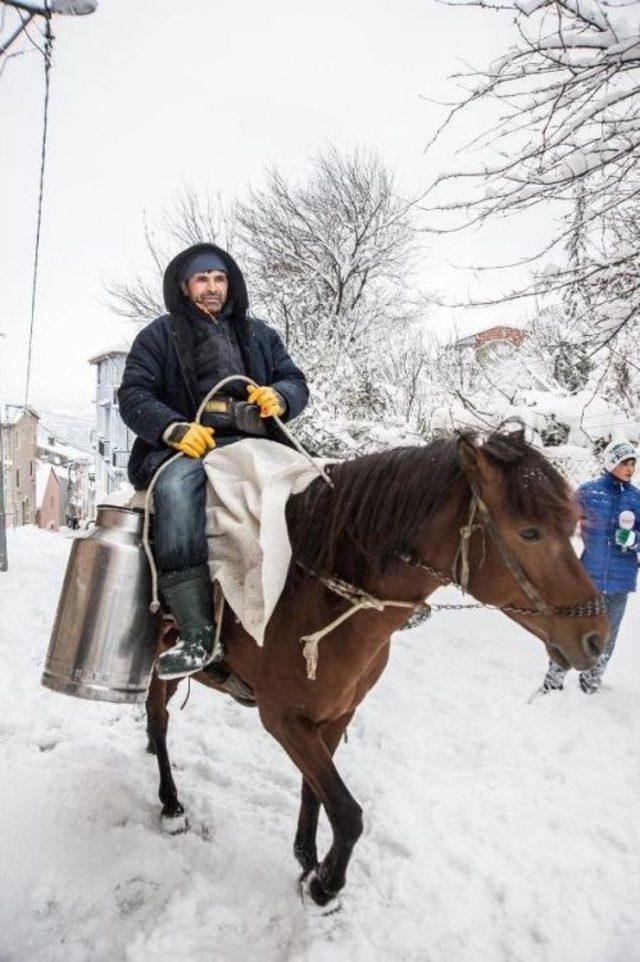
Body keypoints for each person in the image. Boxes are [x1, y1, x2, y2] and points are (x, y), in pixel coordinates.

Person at [118, 243, 309, 681]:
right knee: (176, 491)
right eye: (202, 279)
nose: (212, 287)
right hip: (189, 448)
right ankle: (197, 631)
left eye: (219, 279)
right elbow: (133, 396)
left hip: (257, 444)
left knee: (318, 482)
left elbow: (294, 380)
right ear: (185, 287)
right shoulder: (158, 335)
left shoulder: (259, 334)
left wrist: (280, 395)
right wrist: (173, 429)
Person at [540, 439, 640, 695]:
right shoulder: (588, 492)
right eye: (624, 463)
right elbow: (563, 522)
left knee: (607, 637)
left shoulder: (637, 499)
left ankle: (592, 681)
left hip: (620, 583)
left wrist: (633, 540)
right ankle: (554, 678)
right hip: (587, 578)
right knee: (571, 629)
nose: (630, 468)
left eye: (633, 463)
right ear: (610, 463)